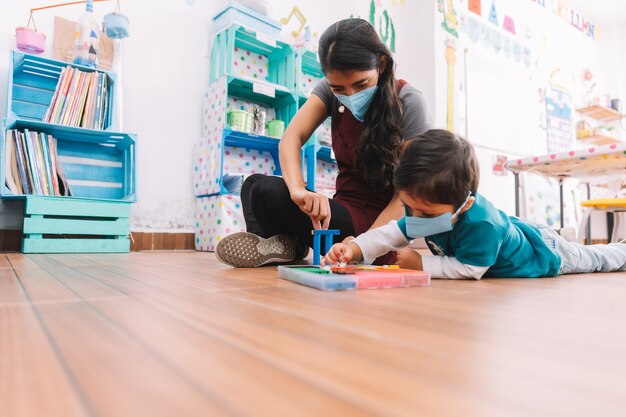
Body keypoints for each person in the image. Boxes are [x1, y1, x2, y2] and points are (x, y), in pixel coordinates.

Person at [215, 18, 431, 268]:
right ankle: (283, 245)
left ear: (381, 65)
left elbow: (407, 196)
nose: (350, 95)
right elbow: (291, 138)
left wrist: (361, 246)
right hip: (341, 209)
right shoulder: (329, 89)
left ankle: (285, 244)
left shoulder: (410, 101)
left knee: (264, 191)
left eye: (361, 84)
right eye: (339, 88)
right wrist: (299, 191)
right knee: (253, 184)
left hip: (378, 226)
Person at [323, 129, 626, 279]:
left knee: (595, 259)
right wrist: (355, 249)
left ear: (463, 206)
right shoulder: (427, 208)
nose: (413, 218)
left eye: (424, 213)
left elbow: (472, 268)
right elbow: (391, 233)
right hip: (518, 230)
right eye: (408, 206)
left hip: (546, 255)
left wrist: (422, 264)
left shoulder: (480, 223)